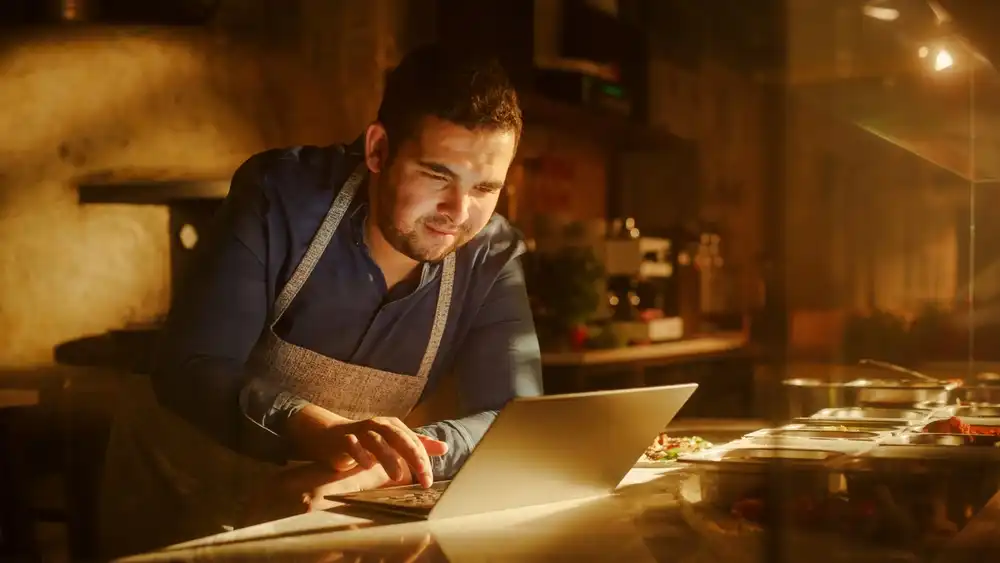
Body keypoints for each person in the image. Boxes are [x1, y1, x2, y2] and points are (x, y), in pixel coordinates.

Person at [98, 43, 543, 558]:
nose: (457, 211)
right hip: (178, 502)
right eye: (437, 175)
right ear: (377, 150)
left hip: (322, 521)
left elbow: (514, 420)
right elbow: (192, 365)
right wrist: (318, 429)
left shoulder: (492, 251)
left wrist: (385, 463)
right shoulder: (282, 194)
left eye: (485, 187)